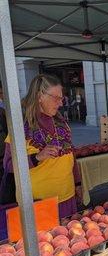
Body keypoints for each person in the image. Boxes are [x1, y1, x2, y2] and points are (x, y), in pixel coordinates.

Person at [0, 74, 82, 217]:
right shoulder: (21, 127)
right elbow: (8, 165)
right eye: (56, 98)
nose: (61, 103)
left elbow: (71, 155)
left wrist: (78, 184)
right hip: (39, 203)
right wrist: (37, 157)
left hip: (67, 196)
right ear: (39, 96)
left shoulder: (61, 122)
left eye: (61, 98)